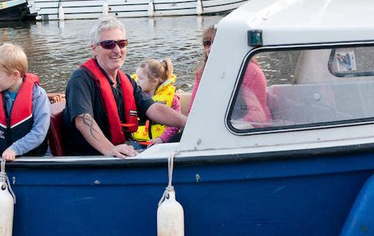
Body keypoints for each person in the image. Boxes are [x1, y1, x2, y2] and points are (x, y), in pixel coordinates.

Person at [62, 17, 187, 157]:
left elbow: (153, 108)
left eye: (122, 43)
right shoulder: (81, 79)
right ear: (94, 49)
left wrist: (187, 122)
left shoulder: (125, 80)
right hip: (92, 158)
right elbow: (83, 119)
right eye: (108, 44)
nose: (117, 50)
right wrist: (109, 149)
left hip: (122, 150)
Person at [0, 43, 51, 169]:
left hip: (33, 159)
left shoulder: (38, 96)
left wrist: (15, 149)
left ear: (15, 75)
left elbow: (39, 132)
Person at [185, 24, 271, 125]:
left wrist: (217, 127)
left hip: (244, 131)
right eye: (207, 43)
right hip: (212, 127)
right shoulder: (202, 73)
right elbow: (193, 110)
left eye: (217, 42)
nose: (211, 48)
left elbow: (257, 117)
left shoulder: (252, 72)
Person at [131, 58, 181, 146]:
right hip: (136, 141)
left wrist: (162, 139)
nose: (137, 81)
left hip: (160, 143)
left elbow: (175, 124)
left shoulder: (172, 98)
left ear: (154, 81)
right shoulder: (136, 95)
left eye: (140, 78)